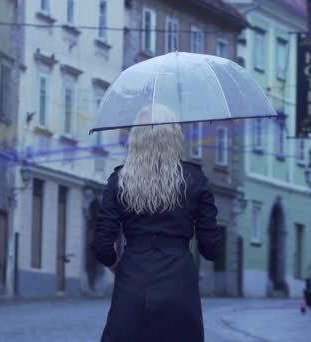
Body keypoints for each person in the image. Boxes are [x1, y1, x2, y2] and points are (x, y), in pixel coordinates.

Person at [90, 104, 222, 342]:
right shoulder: (195, 179)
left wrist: (119, 268)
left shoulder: (119, 180)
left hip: (132, 282)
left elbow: (101, 246)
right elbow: (210, 250)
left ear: (136, 137)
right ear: (174, 136)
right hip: (179, 287)